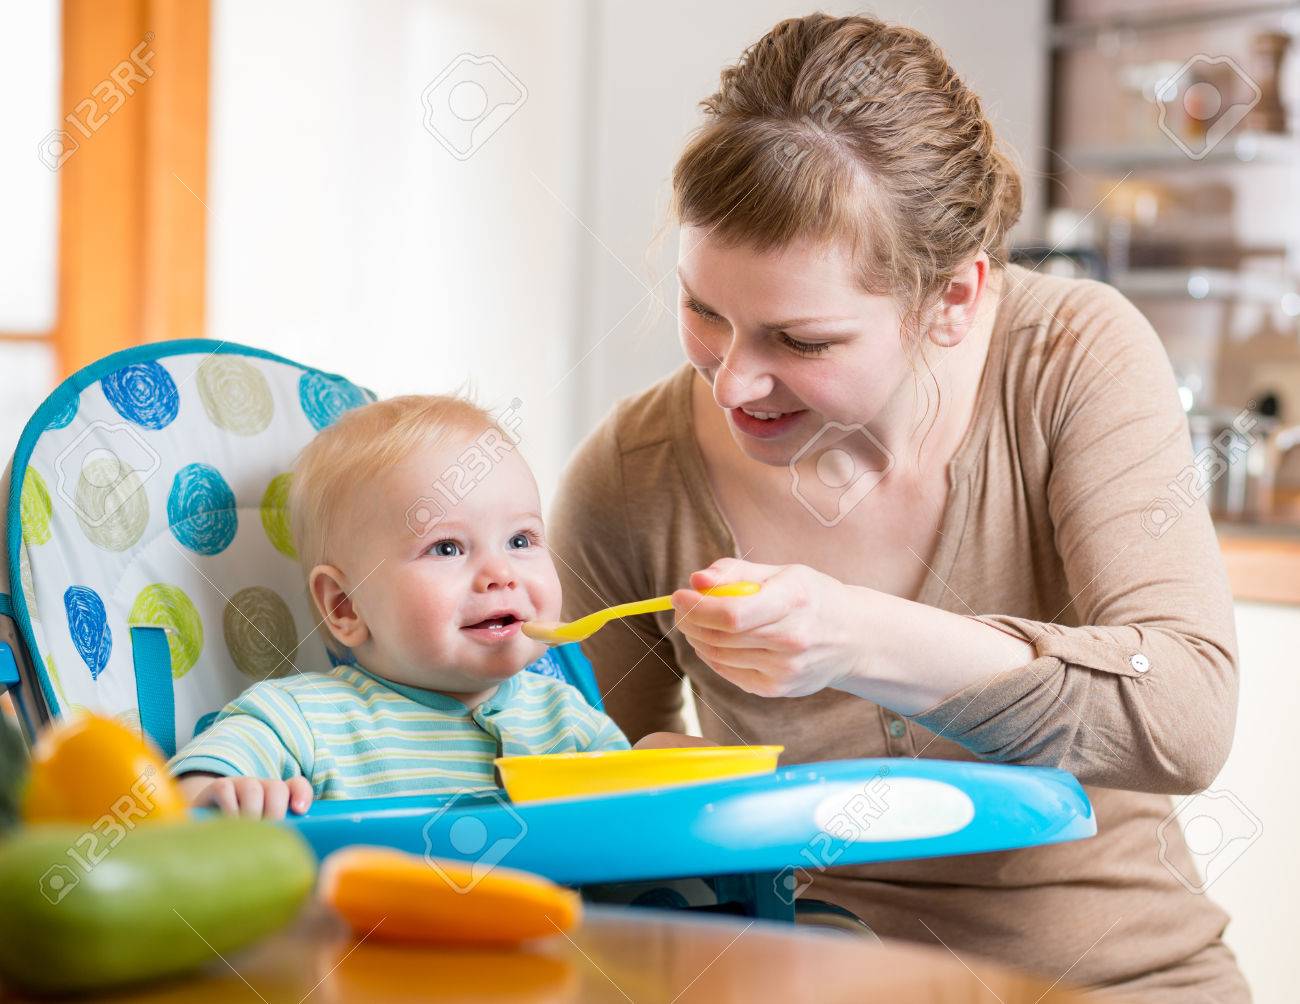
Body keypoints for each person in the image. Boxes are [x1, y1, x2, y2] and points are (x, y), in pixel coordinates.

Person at [550, 13, 1248, 1001]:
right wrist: (654, 779)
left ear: (953, 298)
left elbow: (1184, 714)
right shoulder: (632, 475)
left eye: (802, 340)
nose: (733, 383)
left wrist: (858, 636)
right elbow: (569, 806)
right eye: (705, 310)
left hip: (1122, 979)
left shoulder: (1069, 358)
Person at [169, 395, 648, 818]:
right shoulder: (304, 718)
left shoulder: (568, 721)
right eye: (447, 548)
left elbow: (636, 834)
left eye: (520, 539)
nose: (501, 574)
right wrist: (220, 794)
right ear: (346, 607)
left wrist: (659, 766)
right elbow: (185, 792)